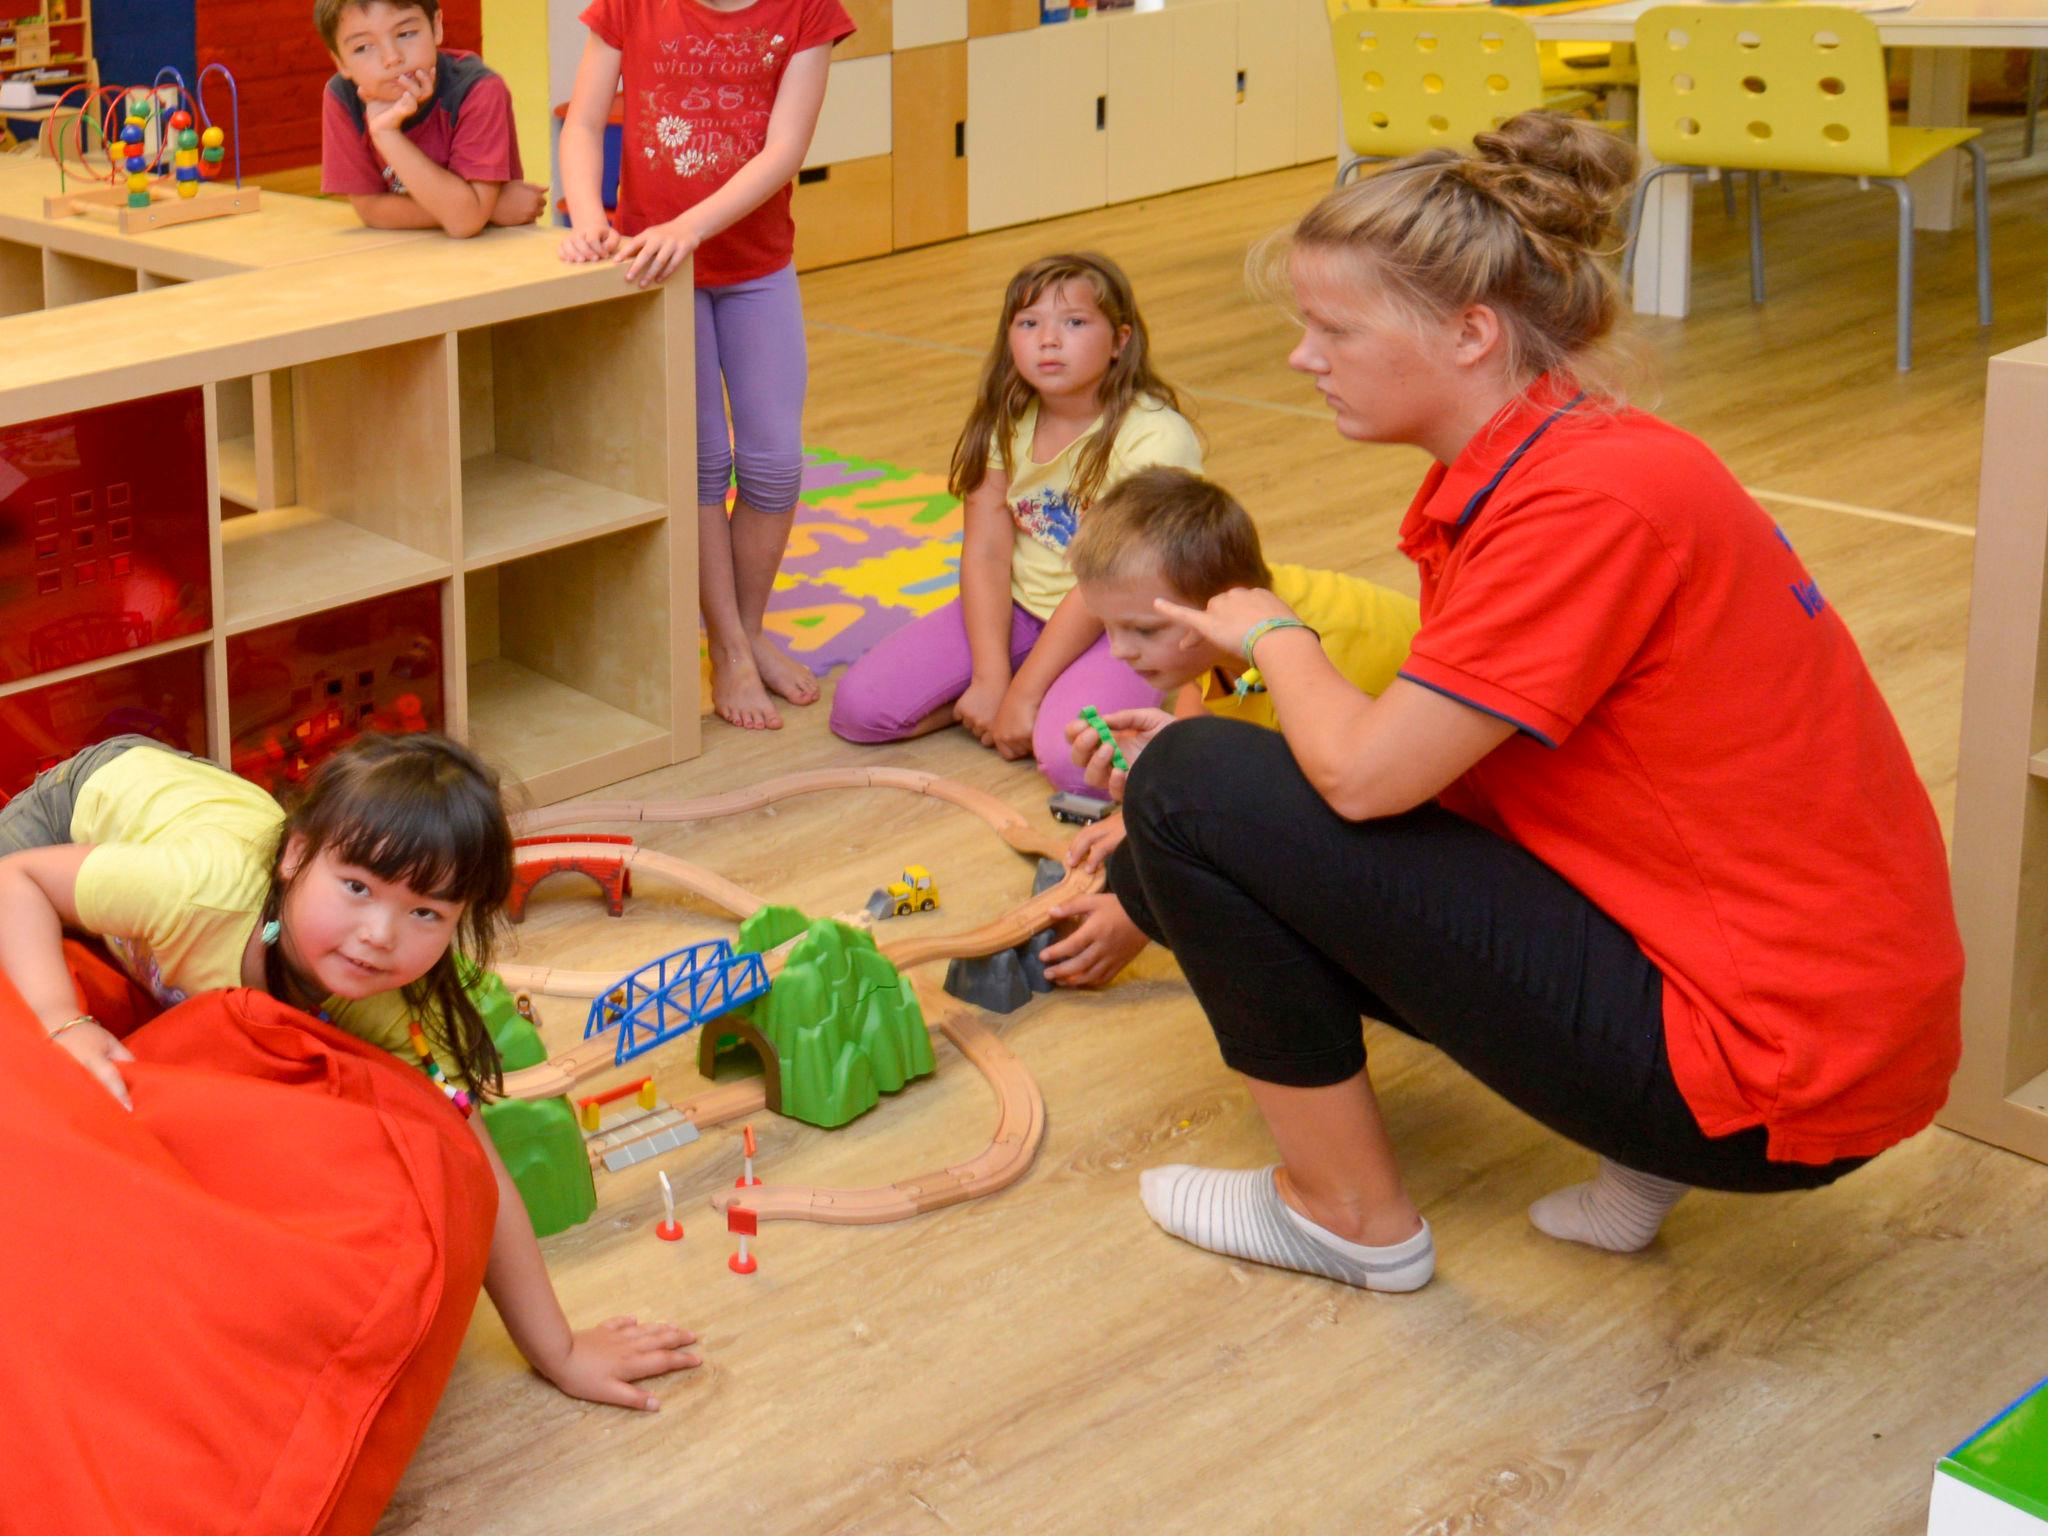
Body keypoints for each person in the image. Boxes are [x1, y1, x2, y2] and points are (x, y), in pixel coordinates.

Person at [1086, 112, 1963, 1294]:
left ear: (1469, 332)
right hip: (1796, 1016)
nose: (1303, 357)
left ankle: (1343, 1214)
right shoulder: (1578, 457)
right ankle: (1636, 1151)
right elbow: (1483, 759)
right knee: (1181, 824)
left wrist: (1265, 632)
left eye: (1330, 327)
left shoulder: (1579, 508)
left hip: (1774, 1073)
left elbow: (1362, 777)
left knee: (1191, 785)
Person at [0, 731, 701, 1407]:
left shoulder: (397, 1007)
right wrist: (66, 1021)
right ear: (296, 857)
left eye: (425, 912)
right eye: (357, 889)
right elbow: (17, 880)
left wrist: (561, 1351)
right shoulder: (194, 892)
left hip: (213, 852)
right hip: (89, 797)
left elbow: (471, 1159)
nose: (379, 936)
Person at [559, 0, 855, 731]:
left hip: (755, 268)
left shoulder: (809, 12)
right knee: (699, 462)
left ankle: (750, 627)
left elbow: (784, 150)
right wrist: (590, 220)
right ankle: (726, 645)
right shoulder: (631, 6)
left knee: (774, 462)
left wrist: (688, 226)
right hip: (655, 272)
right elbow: (585, 121)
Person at [830, 253, 1204, 792]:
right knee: (859, 711)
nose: (1049, 340)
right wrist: (990, 678)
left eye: (1074, 323)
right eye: (1029, 324)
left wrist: (1023, 694)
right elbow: (986, 552)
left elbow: (1106, 583)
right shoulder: (1008, 414)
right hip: (1024, 611)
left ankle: (1082, 699)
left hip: (1119, 624)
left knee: (1070, 764)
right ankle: (1017, 705)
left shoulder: (1156, 437)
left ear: (1121, 340)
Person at [1040, 465, 1419, 987]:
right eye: (1107, 625)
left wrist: (1142, 915)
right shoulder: (1227, 616)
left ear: (1218, 602)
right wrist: (1145, 802)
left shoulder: (1325, 657)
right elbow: (1204, 695)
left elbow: (1300, 829)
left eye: (1142, 629)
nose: (1120, 650)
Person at [317, 0, 548, 236]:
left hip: (491, 257)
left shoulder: (477, 89)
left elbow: (464, 226)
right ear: (341, 62)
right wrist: (487, 211)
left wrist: (387, 135)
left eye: (406, 34)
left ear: (436, 27)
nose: (392, 58)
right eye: (363, 47)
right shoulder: (343, 96)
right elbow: (370, 209)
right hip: (400, 254)